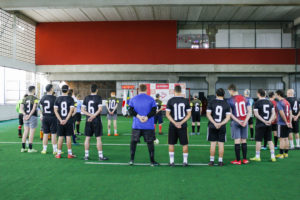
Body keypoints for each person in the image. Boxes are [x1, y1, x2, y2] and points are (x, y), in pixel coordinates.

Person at [128, 84, 159, 166]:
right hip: (148, 126)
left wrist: (138, 116)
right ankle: (152, 162)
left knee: (133, 143)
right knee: (150, 143)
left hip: (136, 125)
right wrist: (147, 117)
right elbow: (154, 111)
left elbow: (130, 111)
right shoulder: (151, 99)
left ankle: (131, 160)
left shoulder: (133, 99)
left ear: (138, 90)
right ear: (146, 90)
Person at [166, 85, 191, 167]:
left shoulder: (170, 101)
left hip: (173, 125)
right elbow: (189, 115)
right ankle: (185, 162)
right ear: (181, 91)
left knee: (171, 143)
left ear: (174, 91)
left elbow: (167, 114)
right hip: (183, 125)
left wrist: (175, 122)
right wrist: (180, 123)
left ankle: (172, 162)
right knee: (185, 144)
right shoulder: (185, 101)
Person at [82, 84, 109, 161]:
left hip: (88, 120)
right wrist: (93, 116)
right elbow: (100, 109)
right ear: (97, 90)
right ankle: (100, 156)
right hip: (96, 119)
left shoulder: (86, 98)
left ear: (90, 90)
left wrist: (90, 116)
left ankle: (86, 156)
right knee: (98, 138)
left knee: (87, 138)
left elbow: (83, 110)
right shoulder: (99, 97)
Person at [227, 84, 251, 165]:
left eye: (229, 91)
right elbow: (249, 112)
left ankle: (238, 160)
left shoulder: (229, 100)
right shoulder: (245, 98)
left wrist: (238, 121)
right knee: (244, 140)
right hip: (245, 121)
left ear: (231, 90)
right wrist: (245, 121)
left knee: (237, 140)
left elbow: (230, 113)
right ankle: (245, 159)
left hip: (236, 122)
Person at [206, 88, 231, 167]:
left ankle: (211, 161)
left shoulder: (211, 102)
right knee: (221, 144)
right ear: (224, 95)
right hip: (222, 126)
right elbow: (228, 117)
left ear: (216, 94)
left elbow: (208, 114)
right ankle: (220, 161)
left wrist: (214, 123)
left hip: (212, 126)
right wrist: (220, 124)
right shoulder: (226, 104)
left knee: (213, 144)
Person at [250, 89, 276, 162]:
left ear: (258, 94)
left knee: (258, 140)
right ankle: (273, 156)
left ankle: (258, 156)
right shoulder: (270, 102)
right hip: (269, 124)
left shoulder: (257, 103)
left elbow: (256, 114)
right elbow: (273, 113)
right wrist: (269, 121)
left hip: (260, 124)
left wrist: (264, 121)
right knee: (270, 140)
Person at [54, 85, 76, 159]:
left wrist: (60, 120)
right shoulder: (70, 99)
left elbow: (55, 111)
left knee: (60, 137)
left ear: (61, 90)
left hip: (60, 121)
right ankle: (69, 154)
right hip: (68, 121)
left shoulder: (57, 99)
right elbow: (71, 111)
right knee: (68, 136)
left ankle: (59, 154)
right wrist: (66, 119)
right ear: (68, 90)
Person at [39, 84, 58, 154]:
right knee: (53, 134)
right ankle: (55, 150)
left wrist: (41, 115)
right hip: (53, 117)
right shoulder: (55, 98)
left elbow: (39, 108)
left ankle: (44, 149)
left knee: (45, 134)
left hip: (45, 117)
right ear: (51, 89)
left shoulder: (43, 98)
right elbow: (57, 109)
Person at [20, 86, 39, 153]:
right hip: (32, 117)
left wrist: (25, 115)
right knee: (31, 133)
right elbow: (34, 108)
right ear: (33, 90)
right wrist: (29, 115)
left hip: (25, 117)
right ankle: (30, 149)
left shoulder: (24, 98)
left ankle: (23, 148)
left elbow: (21, 109)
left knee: (25, 132)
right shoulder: (35, 98)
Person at [275, 90, 292, 159]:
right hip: (287, 123)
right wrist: (289, 122)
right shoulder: (287, 102)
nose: (275, 95)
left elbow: (282, 113)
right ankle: (286, 153)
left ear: (279, 94)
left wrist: (286, 122)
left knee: (281, 139)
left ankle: (281, 154)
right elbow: (290, 113)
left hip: (281, 123)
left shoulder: (279, 103)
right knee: (286, 138)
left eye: (276, 94)